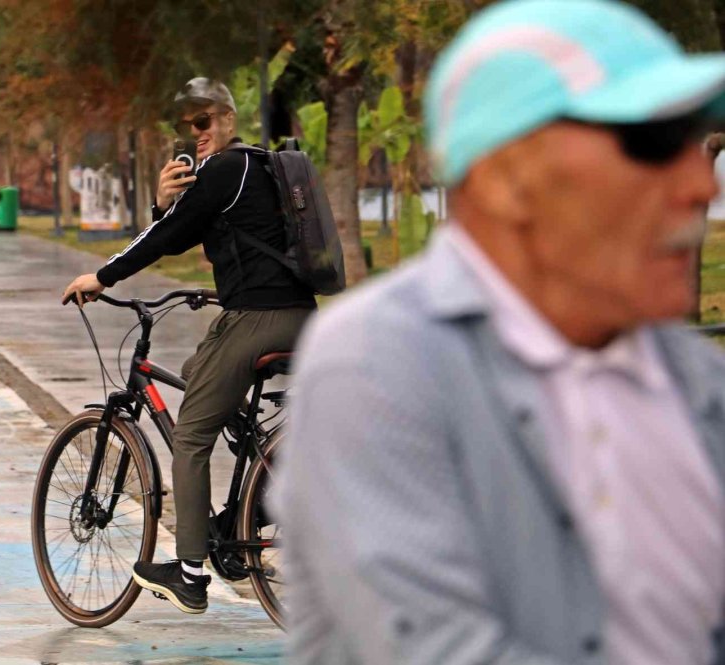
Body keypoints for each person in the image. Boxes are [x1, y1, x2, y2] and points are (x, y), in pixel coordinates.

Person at [275, 1, 725, 663]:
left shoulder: (695, 377)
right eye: (653, 143)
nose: (700, 184)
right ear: (508, 179)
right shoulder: (376, 364)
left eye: (703, 144)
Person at [62, 77, 316, 614]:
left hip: (257, 320)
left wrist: (102, 277)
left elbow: (163, 239)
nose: (196, 133)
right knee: (195, 366)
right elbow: (191, 232)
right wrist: (164, 204)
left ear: (226, 118)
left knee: (191, 435)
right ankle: (244, 507)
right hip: (293, 318)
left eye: (203, 122)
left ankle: (190, 573)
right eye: (188, 126)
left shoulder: (227, 168)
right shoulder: (259, 168)